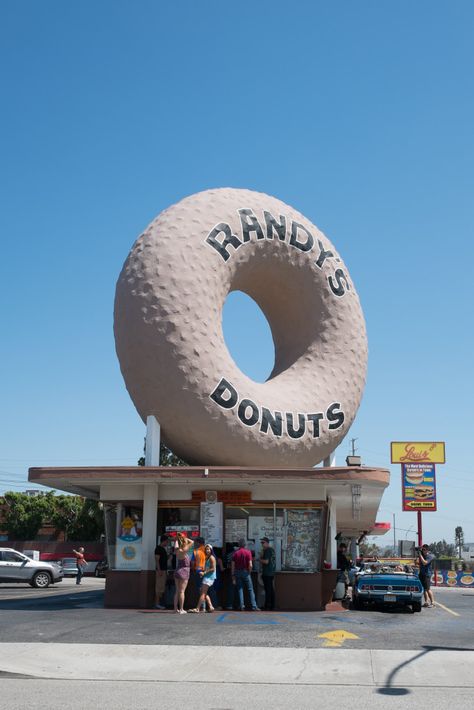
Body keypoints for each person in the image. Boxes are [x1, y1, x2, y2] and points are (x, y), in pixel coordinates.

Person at [231, 538, 259, 611]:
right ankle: (254, 606)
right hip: (245, 572)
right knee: (250, 589)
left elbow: (233, 565)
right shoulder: (248, 552)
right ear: (245, 545)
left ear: (239, 545)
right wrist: (249, 572)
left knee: (240, 589)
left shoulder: (235, 553)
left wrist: (233, 575)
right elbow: (250, 565)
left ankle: (242, 606)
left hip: (237, 572)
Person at [190, 544, 217, 613]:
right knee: (204, 592)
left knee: (203, 593)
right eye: (206, 549)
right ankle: (210, 606)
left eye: (208, 549)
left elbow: (213, 568)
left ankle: (197, 608)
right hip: (206, 576)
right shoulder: (206, 557)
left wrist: (204, 573)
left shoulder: (212, 558)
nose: (207, 550)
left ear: (211, 550)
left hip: (209, 577)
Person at [173, 532, 194, 614]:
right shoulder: (185, 550)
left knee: (177, 591)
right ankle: (181, 609)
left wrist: (177, 539)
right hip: (184, 571)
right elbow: (192, 542)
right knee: (182, 591)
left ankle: (175, 609)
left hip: (177, 570)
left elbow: (176, 544)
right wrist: (184, 537)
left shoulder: (177, 550)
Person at [259, 537, 276, 611]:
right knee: (270, 590)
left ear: (267, 543)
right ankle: (272, 605)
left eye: (263, 543)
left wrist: (259, 559)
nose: (262, 544)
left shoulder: (268, 550)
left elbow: (266, 561)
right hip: (271, 572)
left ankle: (267, 606)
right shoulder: (272, 550)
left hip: (267, 573)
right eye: (261, 543)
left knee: (268, 590)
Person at [154, 534, 169, 609]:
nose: (167, 543)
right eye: (167, 541)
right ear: (164, 541)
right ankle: (157, 604)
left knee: (162, 587)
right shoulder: (158, 549)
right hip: (161, 571)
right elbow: (157, 560)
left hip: (164, 570)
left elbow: (164, 560)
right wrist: (159, 570)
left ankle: (159, 603)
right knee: (159, 588)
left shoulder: (163, 549)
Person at [192, 536, 206, 603]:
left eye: (196, 542)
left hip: (198, 571)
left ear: (198, 543)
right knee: (207, 589)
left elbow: (192, 563)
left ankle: (203, 606)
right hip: (207, 571)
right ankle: (209, 605)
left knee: (200, 589)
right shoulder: (208, 550)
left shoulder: (195, 551)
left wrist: (193, 569)